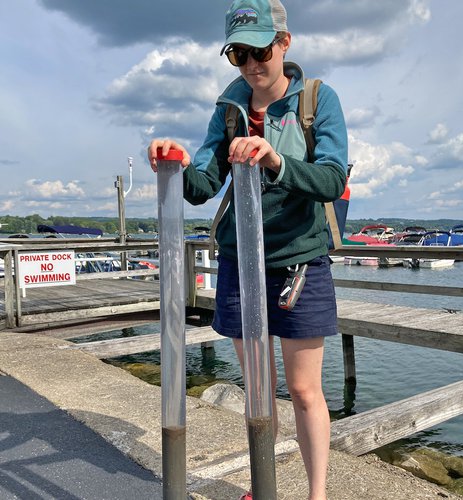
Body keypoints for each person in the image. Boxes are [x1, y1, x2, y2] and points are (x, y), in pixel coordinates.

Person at [148, 0, 347, 498]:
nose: (253, 64)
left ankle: (316, 493)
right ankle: (264, 483)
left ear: (284, 43)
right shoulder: (229, 107)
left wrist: (276, 159)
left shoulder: (317, 99)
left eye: (261, 50)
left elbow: (331, 177)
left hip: (300, 259)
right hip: (242, 261)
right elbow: (203, 183)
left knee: (303, 390)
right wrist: (173, 163)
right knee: (258, 386)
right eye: (239, 54)